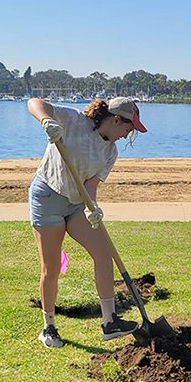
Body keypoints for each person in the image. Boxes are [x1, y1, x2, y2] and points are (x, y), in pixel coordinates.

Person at [26, 96, 147, 348]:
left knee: (104, 254)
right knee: (51, 267)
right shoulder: (73, 120)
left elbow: (90, 185)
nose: (128, 135)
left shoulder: (110, 152)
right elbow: (34, 102)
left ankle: (109, 322)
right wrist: (46, 120)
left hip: (76, 203)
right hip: (47, 197)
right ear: (115, 119)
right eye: (128, 128)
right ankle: (49, 327)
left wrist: (94, 208)